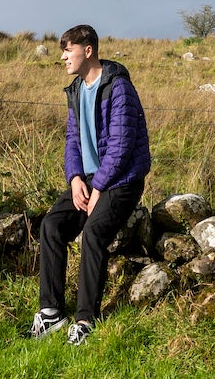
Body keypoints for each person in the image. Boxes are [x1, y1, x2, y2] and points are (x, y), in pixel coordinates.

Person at [31, 24, 151, 346]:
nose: (63, 57)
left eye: (67, 50)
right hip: (88, 180)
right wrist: (74, 180)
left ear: (88, 50)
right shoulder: (75, 90)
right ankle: (51, 313)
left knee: (94, 233)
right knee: (52, 225)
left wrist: (98, 186)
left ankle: (86, 320)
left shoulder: (118, 86)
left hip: (122, 180)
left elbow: (122, 145)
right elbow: (72, 140)